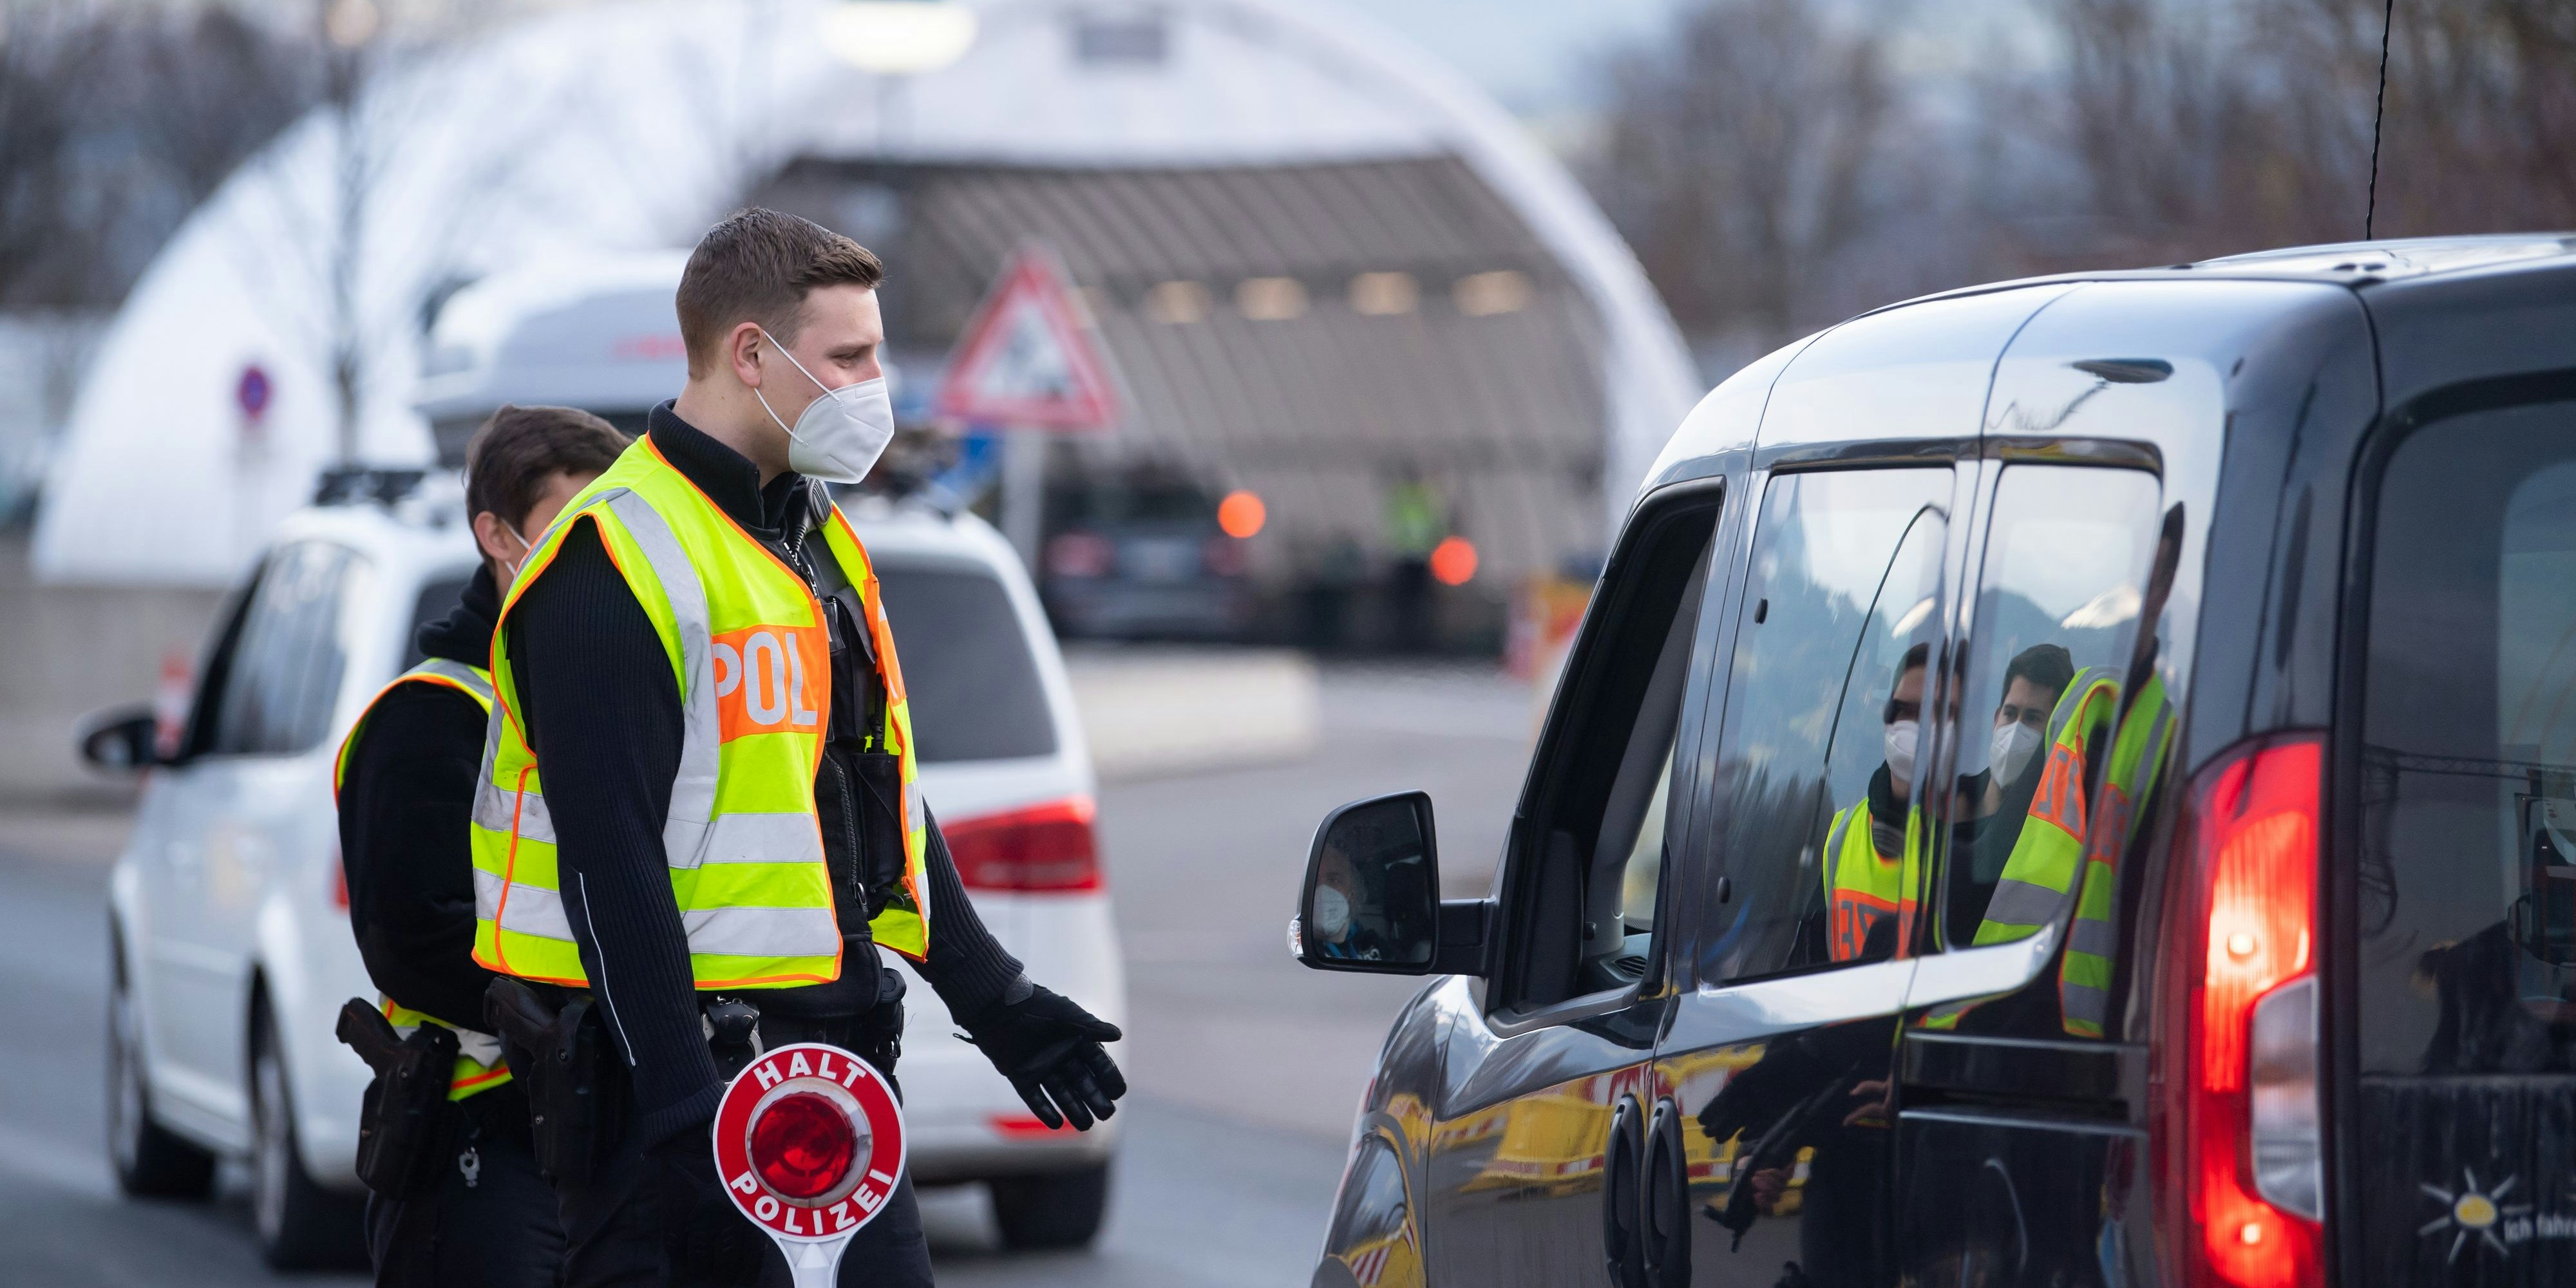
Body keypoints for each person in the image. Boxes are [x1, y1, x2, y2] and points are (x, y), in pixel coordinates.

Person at [469, 209, 1126, 1287]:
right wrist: (684, 1110)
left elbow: (868, 802)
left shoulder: (812, 544)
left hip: (836, 1074)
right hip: (673, 1101)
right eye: (851, 357)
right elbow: (609, 864)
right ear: (751, 356)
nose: (878, 386)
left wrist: (994, 996)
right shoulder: (608, 557)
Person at [333, 404, 628, 1287]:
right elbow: (411, 939)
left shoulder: (621, 697)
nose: (603, 554)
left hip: (603, 1128)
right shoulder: (430, 717)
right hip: (480, 1139)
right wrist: (590, 1014)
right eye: (573, 528)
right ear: (496, 536)